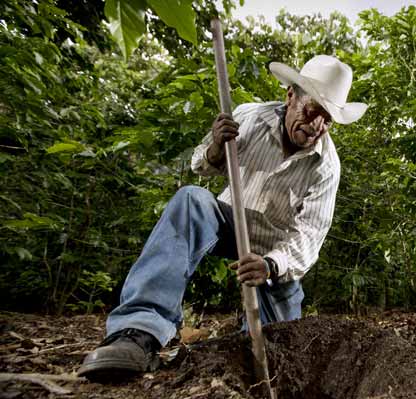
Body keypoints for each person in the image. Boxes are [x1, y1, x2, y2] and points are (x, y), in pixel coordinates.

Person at [78, 55, 367, 380]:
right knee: (190, 200)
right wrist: (216, 145)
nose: (317, 126)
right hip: (228, 222)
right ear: (291, 96)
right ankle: (137, 332)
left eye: (327, 119)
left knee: (274, 353)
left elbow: (309, 237)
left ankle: (236, 342)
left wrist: (271, 265)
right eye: (312, 111)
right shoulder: (249, 117)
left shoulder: (326, 166)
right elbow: (202, 165)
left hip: (272, 255)